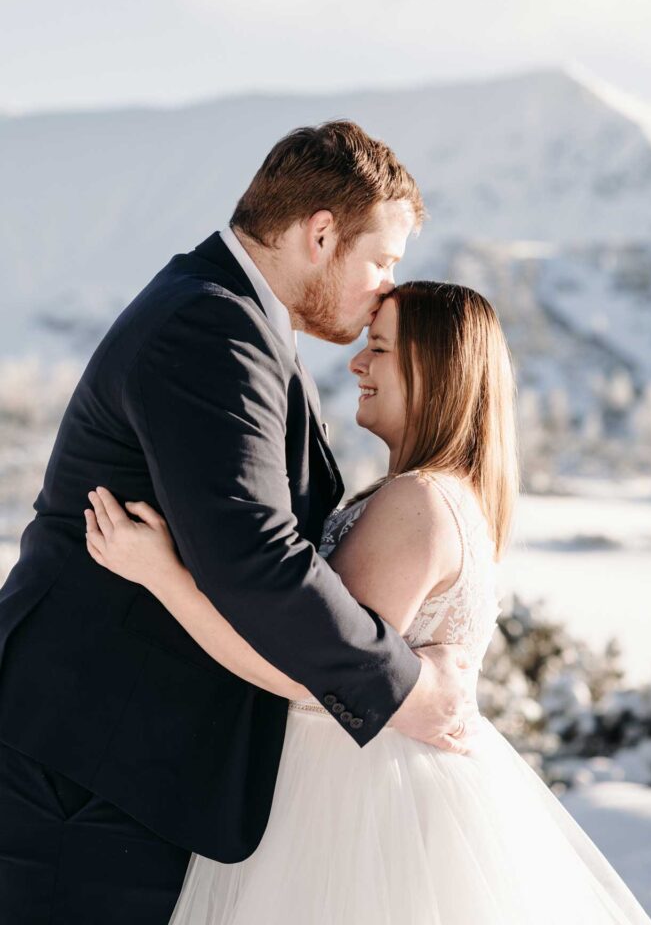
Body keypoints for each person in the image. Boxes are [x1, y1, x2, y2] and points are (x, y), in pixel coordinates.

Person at [0, 123, 475, 925]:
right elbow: (256, 560)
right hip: (81, 763)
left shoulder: (235, 321)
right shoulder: (210, 327)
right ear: (320, 234)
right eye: (382, 262)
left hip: (115, 758)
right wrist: (402, 690)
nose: (382, 293)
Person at [85, 282, 651, 924]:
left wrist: (162, 575)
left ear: (436, 373)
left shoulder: (417, 502)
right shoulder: (441, 495)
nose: (357, 363)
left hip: (356, 808)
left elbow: (309, 676)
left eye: (378, 348)